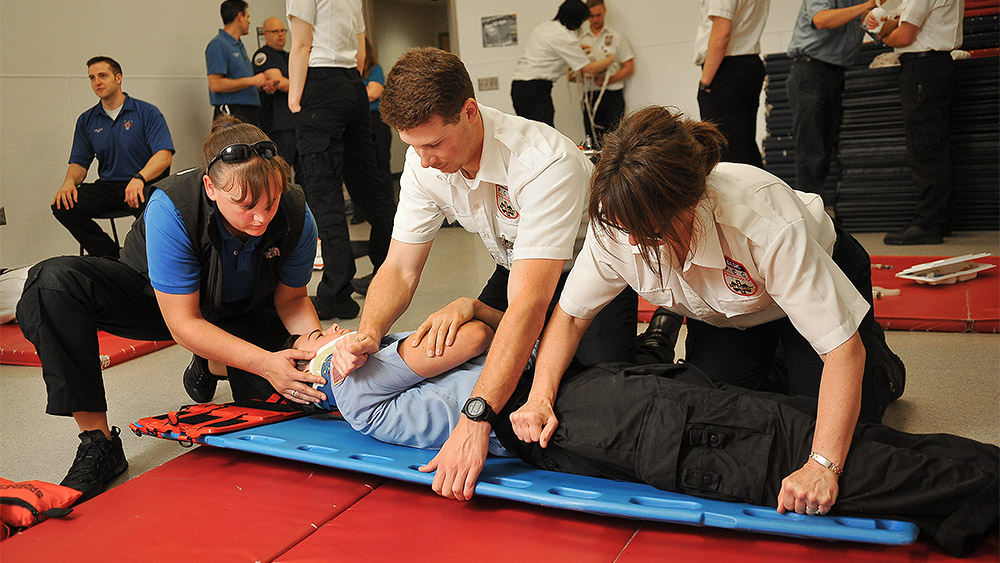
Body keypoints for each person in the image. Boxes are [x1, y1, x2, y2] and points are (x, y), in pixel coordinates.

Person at [294, 300, 996, 558]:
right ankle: (973, 489)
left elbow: (486, 331)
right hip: (575, 419)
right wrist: (361, 347)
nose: (325, 335)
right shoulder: (355, 387)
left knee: (788, 430)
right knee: (776, 451)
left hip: (579, 403)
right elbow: (479, 340)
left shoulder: (375, 365)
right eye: (308, 347)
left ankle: (973, 489)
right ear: (311, 378)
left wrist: (455, 317)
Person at [520, 105, 909, 514]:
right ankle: (779, 362)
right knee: (723, 414)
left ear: (690, 204)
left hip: (818, 276)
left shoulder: (760, 223)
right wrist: (539, 397)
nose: (633, 245)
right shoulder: (619, 225)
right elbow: (571, 317)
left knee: (827, 432)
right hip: (728, 311)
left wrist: (822, 465)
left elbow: (841, 352)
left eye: (649, 232)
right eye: (624, 230)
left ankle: (882, 369)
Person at [329, 47, 639, 501]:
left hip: (592, 268)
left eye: (433, 143)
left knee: (591, 396)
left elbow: (531, 302)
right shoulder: (422, 160)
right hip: (516, 262)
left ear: (470, 112)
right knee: (497, 362)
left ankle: (652, 342)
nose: (424, 158)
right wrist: (370, 334)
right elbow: (398, 267)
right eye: (413, 145)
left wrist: (476, 419)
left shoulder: (541, 162)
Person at [16, 116, 326, 503]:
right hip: (160, 305)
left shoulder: (297, 211)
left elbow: (292, 298)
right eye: (245, 205)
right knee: (52, 283)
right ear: (211, 188)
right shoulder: (173, 205)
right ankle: (98, 442)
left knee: (294, 400)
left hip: (245, 310)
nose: (261, 218)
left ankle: (210, 362)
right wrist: (264, 362)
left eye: (271, 202)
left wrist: (314, 345)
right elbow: (183, 322)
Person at [286, 0, 397, 319]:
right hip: (352, 87)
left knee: (325, 195)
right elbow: (361, 55)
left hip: (319, 88)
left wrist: (295, 99)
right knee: (372, 188)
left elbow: (302, 44)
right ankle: (388, 273)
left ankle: (335, 294)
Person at [52, 56, 174, 259]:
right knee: (62, 205)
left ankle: (144, 262)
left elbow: (164, 156)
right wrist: (68, 182)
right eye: (92, 78)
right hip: (109, 187)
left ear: (118, 78)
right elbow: (79, 164)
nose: (97, 82)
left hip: (143, 185)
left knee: (158, 209)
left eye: (102, 75)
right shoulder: (87, 120)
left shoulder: (146, 112)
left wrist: (139, 178)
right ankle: (112, 258)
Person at [868, 0, 963, 245]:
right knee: (934, 144)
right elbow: (901, 24)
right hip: (933, 65)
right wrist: (886, 25)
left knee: (924, 147)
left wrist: (878, 32)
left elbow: (904, 36)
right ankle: (939, 220)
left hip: (922, 66)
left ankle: (928, 224)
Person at [787, 0, 876, 200]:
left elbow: (880, 30)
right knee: (811, 151)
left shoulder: (862, 2)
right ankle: (810, 215)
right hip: (811, 71)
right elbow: (821, 19)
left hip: (837, 73)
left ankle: (820, 212)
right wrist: (867, 6)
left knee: (826, 148)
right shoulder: (864, 3)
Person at [510, 0, 617, 127]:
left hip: (520, 88)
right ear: (576, 19)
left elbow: (554, 50)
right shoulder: (564, 37)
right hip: (535, 90)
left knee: (533, 132)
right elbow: (590, 68)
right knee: (544, 132)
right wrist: (611, 58)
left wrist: (578, 48)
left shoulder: (545, 27)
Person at [694, 0, 771, 166]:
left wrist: (705, 82)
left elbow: (722, 32)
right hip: (747, 63)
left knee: (726, 152)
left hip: (727, 68)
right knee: (744, 146)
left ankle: (741, 192)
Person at [206, 0, 274, 126]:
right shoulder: (218, 44)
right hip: (231, 112)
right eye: (247, 17)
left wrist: (261, 85)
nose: (249, 21)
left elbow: (241, 82)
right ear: (239, 16)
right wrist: (252, 81)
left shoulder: (238, 45)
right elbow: (215, 84)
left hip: (250, 112)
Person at [578, 0, 635, 147]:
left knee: (616, 139)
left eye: (599, 15)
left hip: (612, 95)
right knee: (592, 140)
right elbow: (573, 72)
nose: (596, 20)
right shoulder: (580, 40)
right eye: (591, 16)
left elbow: (629, 67)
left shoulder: (616, 37)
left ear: (604, 11)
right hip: (590, 95)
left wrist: (608, 80)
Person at [253, 17, 298, 177]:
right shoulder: (263, 55)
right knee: (282, 173)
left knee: (306, 173)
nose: (280, 35)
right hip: (279, 125)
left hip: (297, 122)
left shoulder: (290, 55)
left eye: (282, 30)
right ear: (265, 34)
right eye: (275, 31)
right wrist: (301, 84)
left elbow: (287, 82)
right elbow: (279, 83)